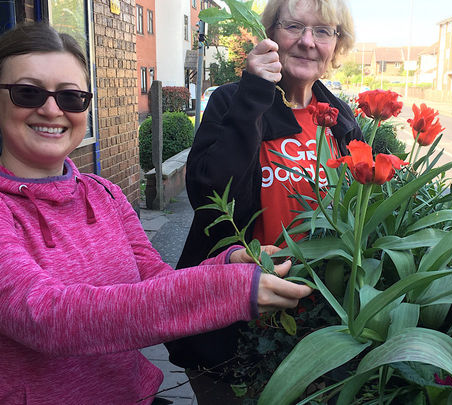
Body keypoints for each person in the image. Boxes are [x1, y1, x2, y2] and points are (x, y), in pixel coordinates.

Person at [0, 23, 312, 405]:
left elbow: (155, 281)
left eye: (71, 97)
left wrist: (225, 263)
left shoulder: (105, 194)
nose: (51, 109)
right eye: (27, 93)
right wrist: (229, 290)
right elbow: (45, 316)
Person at [165, 0, 361, 401]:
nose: (308, 42)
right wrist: (255, 94)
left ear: (336, 46)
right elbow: (207, 195)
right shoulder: (232, 102)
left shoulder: (340, 119)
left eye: (323, 31)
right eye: (293, 27)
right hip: (233, 314)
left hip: (317, 323)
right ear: (270, 34)